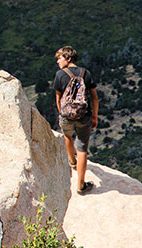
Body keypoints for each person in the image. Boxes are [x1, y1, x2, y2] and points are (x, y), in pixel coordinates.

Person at [53, 45, 99, 195]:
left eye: (60, 58)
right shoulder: (86, 74)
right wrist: (94, 116)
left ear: (68, 58)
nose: (58, 62)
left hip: (66, 116)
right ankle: (81, 185)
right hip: (83, 115)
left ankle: (72, 162)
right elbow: (94, 97)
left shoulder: (60, 75)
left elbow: (58, 97)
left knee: (67, 135)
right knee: (83, 147)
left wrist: (62, 113)